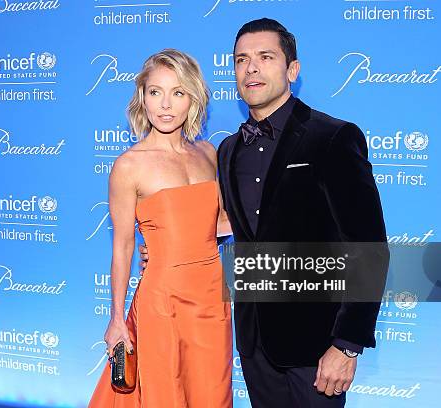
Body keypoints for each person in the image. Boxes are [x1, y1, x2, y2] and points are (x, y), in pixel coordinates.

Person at [140, 19, 388, 407]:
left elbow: (369, 248)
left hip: (317, 347)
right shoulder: (227, 151)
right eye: (241, 60)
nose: (251, 68)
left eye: (265, 57)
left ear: (292, 70)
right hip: (254, 343)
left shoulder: (333, 137)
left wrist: (348, 345)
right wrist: (168, 246)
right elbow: (230, 226)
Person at [88, 49, 233, 408]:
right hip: (162, 300)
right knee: (165, 394)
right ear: (142, 96)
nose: (165, 105)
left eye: (178, 93)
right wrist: (116, 320)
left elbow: (220, 222)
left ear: (193, 99)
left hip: (214, 296)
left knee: (213, 394)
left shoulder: (208, 154)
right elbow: (122, 246)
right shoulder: (129, 165)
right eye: (156, 92)